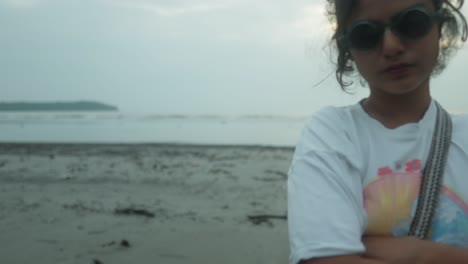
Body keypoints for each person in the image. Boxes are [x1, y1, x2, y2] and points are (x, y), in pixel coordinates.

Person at [287, 0, 468, 264]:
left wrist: (421, 254)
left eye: (412, 23)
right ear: (348, 47)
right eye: (366, 34)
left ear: (439, 26)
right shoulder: (335, 132)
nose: (391, 46)